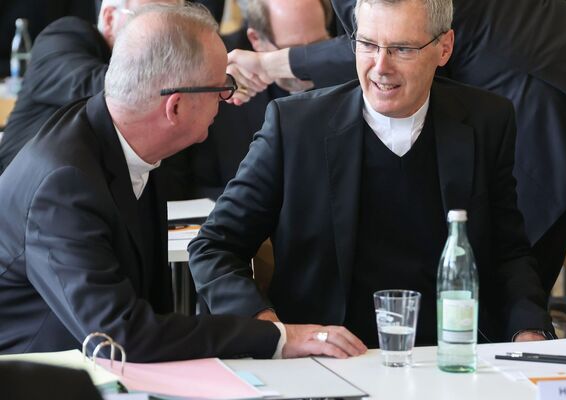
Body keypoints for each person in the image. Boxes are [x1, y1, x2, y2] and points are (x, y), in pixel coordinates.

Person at [0, 3, 365, 361]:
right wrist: (279, 337)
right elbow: (121, 335)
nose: (227, 98)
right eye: (221, 86)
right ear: (174, 107)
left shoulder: (128, 142)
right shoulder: (65, 184)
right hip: (39, 372)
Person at [189, 0, 554, 348]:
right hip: (328, 364)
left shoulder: (486, 120)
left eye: (402, 49)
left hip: (453, 357)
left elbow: (508, 253)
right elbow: (214, 246)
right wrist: (272, 331)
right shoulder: (296, 127)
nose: (380, 66)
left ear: (444, 48)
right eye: (367, 44)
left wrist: (529, 329)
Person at [223, 0, 566, 295]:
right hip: (552, 76)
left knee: (507, 286)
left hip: (545, 93)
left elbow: (397, 35)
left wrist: (270, 64)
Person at [0, 0, 173, 174]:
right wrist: (181, 78)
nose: (168, 35)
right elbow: (112, 91)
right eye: (153, 18)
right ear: (110, 18)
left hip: (93, 187)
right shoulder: (63, 36)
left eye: (176, 22)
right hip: (30, 188)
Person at [186, 0, 332, 199]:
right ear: (256, 39)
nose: (307, 64)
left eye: (318, 47)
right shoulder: (215, 76)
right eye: (293, 51)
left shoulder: (352, 70)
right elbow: (189, 188)